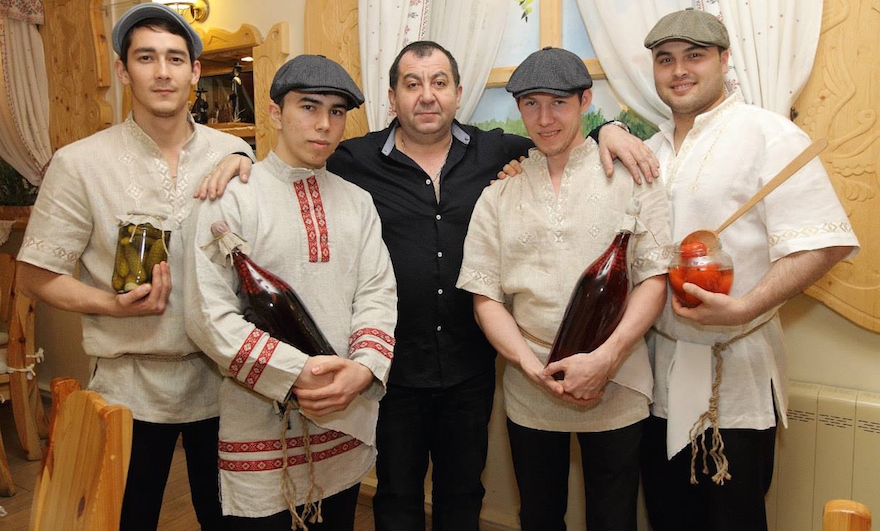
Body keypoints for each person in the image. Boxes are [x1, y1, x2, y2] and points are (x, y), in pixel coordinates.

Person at [200, 40, 658, 530]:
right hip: (391, 371)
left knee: (463, 494)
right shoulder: (350, 161)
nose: (427, 96)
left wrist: (613, 128)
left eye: (439, 83)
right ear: (392, 96)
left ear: (459, 92)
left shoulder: (498, 151)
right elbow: (291, 159)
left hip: (470, 369)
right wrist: (237, 152)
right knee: (397, 496)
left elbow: (561, 135)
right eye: (412, 84)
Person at [600, 8, 859, 531]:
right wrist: (606, 128)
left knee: (732, 520)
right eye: (665, 59)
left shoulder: (769, 135)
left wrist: (744, 306)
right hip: (656, 375)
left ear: (724, 59)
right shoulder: (646, 152)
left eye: (694, 56)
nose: (679, 70)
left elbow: (823, 243)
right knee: (668, 517)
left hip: (735, 371)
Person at [16, 3, 254, 530]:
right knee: (129, 519)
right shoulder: (79, 163)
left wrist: (252, 163)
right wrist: (109, 304)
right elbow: (34, 275)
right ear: (124, 71)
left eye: (175, 58)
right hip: (128, 388)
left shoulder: (233, 152)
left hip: (223, 385)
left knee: (230, 521)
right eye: (146, 57)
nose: (162, 72)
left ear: (195, 71)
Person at [455, 47, 670, 531]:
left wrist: (606, 359)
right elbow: (486, 296)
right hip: (531, 386)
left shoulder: (633, 176)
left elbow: (654, 279)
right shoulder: (499, 193)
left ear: (585, 100)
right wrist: (531, 369)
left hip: (617, 380)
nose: (545, 118)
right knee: (539, 514)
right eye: (531, 104)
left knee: (614, 516)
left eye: (559, 103)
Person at [183, 54, 397, 531]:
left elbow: (378, 292)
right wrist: (297, 374)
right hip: (261, 429)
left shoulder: (358, 202)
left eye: (337, 112)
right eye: (309, 107)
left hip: (344, 424)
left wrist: (362, 370)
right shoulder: (232, 196)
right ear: (276, 113)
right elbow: (207, 315)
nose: (324, 124)